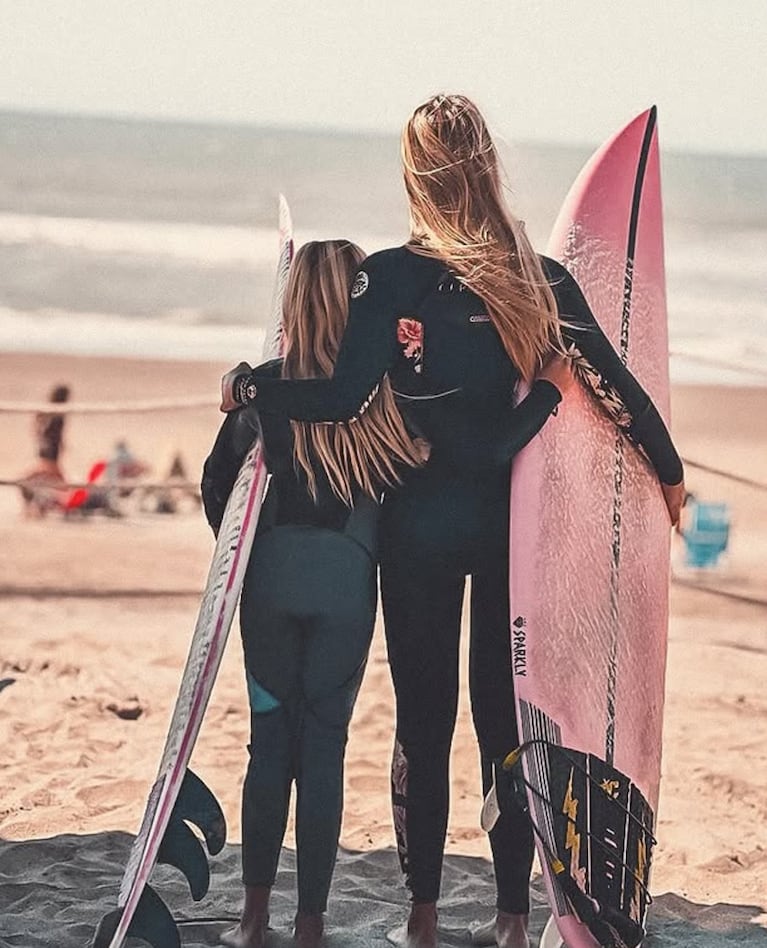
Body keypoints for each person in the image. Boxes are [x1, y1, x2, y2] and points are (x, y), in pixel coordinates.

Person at [220, 95, 685, 948]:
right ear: (487, 167)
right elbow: (617, 388)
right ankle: (512, 920)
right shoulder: (535, 278)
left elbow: (339, 397)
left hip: (416, 534)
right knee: (502, 723)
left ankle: (424, 922)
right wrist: (668, 473)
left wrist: (255, 386)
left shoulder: (386, 277)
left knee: (422, 722)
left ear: (414, 175)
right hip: (508, 531)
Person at [202, 240, 426, 948]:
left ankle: (250, 921)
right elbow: (415, 483)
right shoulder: (382, 393)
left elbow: (219, 494)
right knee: (324, 748)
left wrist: (244, 561)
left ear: (292, 301)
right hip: (347, 590)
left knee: (270, 746)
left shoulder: (264, 391)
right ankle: (311, 926)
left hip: (269, 585)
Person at [20, 383, 71, 516]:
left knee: (50, 482)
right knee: (59, 485)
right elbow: (56, 435)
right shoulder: (58, 415)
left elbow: (38, 428)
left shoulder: (47, 412)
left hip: (47, 453)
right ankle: (37, 507)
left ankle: (35, 507)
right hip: (49, 455)